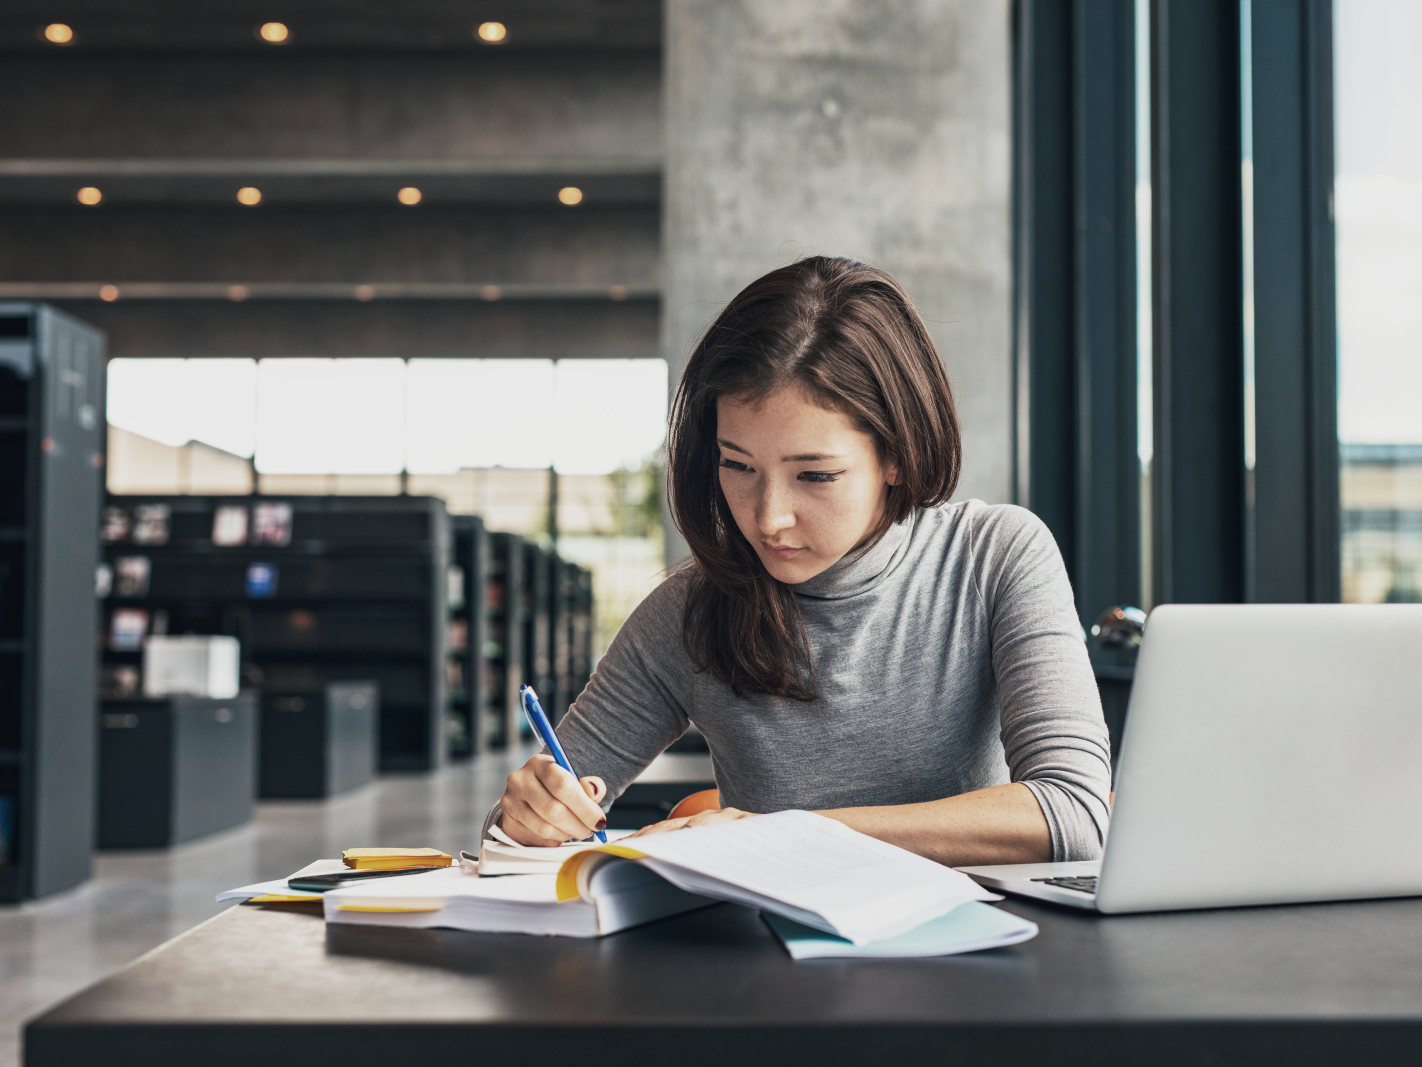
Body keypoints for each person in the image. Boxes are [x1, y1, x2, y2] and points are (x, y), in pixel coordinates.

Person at [489, 256, 1111, 866]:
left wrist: (781, 834)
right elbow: (508, 840)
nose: (768, 518)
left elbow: (1074, 813)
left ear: (897, 455)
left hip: (980, 954)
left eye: (815, 474)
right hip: (773, 963)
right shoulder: (689, 610)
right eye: (737, 466)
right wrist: (527, 817)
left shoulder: (994, 556)